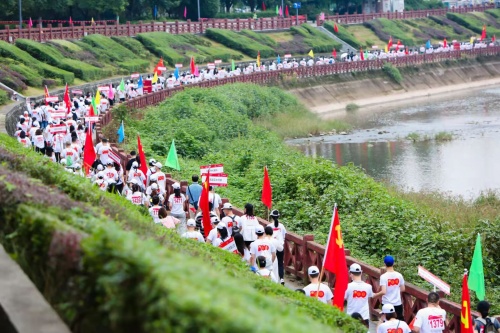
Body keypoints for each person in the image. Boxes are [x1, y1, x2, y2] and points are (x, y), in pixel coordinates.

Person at [344, 263, 373, 328]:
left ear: (351, 274)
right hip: (364, 316)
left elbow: (344, 298)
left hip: (351, 316)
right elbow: (370, 296)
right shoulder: (368, 287)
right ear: (361, 273)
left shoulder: (347, 287)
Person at [377, 255, 405, 321]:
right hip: (397, 303)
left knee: (386, 322)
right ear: (393, 263)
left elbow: (383, 291)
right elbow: (403, 289)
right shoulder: (399, 275)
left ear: (384, 264)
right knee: (398, 322)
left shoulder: (383, 276)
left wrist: (375, 294)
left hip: (387, 303)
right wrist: (395, 290)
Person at [269, 209, 286, 284]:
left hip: (272, 246)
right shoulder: (281, 226)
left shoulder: (269, 226)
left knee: (272, 261)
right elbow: (284, 235)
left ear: (271, 217)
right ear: (278, 216)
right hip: (280, 246)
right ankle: (282, 278)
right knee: (280, 262)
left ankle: (273, 277)